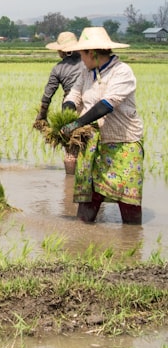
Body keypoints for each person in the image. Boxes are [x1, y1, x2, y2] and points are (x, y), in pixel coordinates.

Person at [60, 27, 143, 224]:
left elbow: (107, 104)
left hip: (122, 143)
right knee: (89, 197)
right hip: (92, 142)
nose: (81, 60)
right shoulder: (85, 70)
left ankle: (131, 240)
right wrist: (67, 109)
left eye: (82, 55)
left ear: (93, 54)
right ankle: (83, 236)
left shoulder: (122, 72)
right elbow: (75, 93)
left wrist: (77, 123)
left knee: (127, 198)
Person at [35, 31, 86, 174]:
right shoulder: (87, 62)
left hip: (69, 107)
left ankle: (69, 181)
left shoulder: (58, 68)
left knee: (71, 148)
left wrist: (41, 117)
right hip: (90, 105)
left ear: (61, 51)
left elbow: (47, 97)